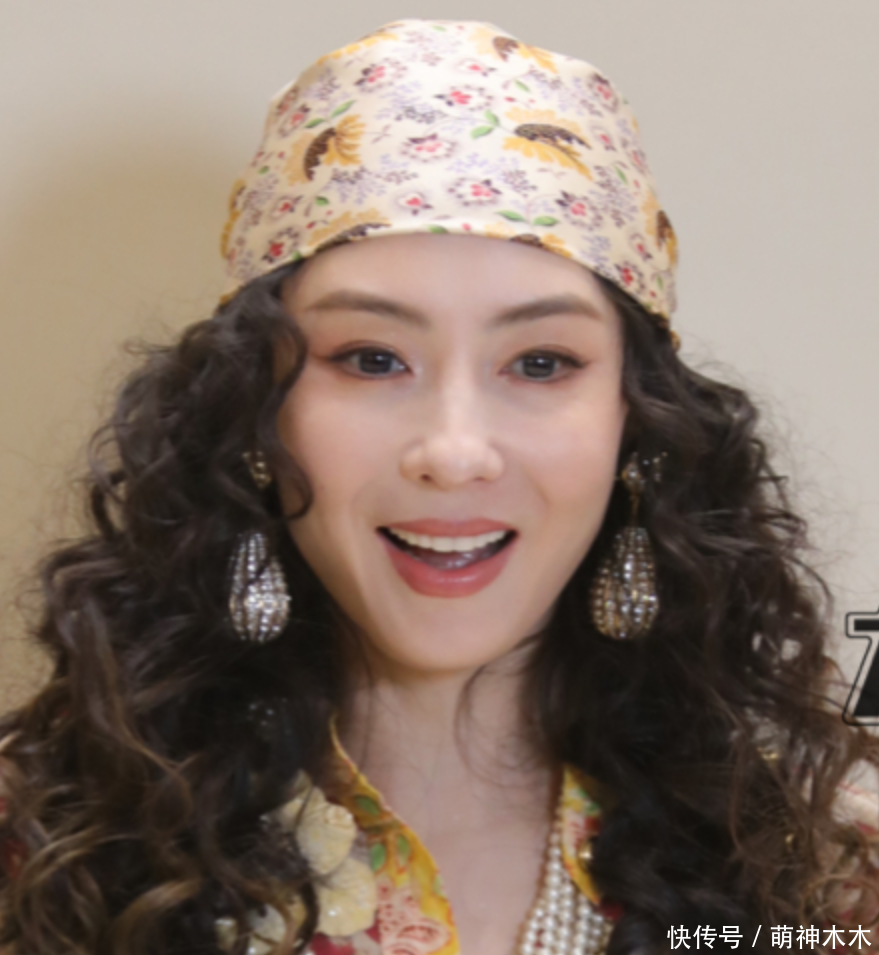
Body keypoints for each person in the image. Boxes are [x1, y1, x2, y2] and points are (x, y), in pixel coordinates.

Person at [0, 18, 877, 955]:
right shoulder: (38, 849)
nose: (454, 452)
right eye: (371, 358)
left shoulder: (821, 876)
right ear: (252, 412)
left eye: (540, 363)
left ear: (635, 424)